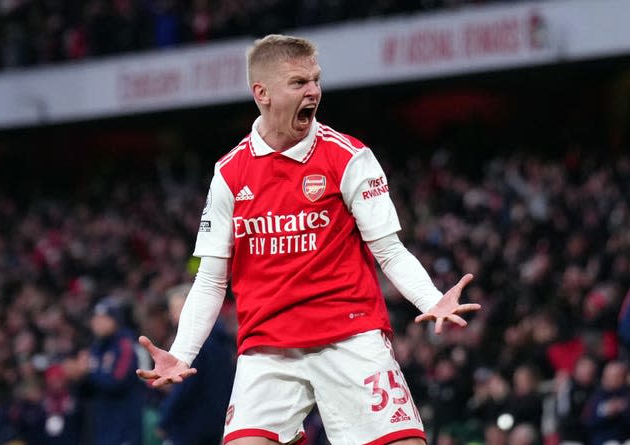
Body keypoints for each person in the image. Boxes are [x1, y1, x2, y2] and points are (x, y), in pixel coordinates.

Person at [136, 33, 480, 445]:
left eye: (315, 80)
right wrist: (182, 353)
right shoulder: (229, 173)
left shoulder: (349, 157)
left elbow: (388, 250)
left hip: (349, 337)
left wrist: (430, 299)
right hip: (268, 347)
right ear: (261, 93)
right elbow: (211, 279)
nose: (314, 90)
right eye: (299, 83)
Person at [156, 283, 235, 445]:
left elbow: (184, 387)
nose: (172, 315)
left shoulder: (193, 344)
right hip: (216, 423)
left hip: (190, 426)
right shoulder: (221, 339)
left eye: (176, 309)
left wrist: (165, 419)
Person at [64, 297, 144, 445]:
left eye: (103, 318)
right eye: (96, 318)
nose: (96, 322)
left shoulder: (125, 346)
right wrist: (78, 377)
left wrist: (88, 372)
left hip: (124, 425)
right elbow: (86, 392)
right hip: (101, 425)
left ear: (115, 320)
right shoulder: (95, 347)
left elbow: (117, 381)